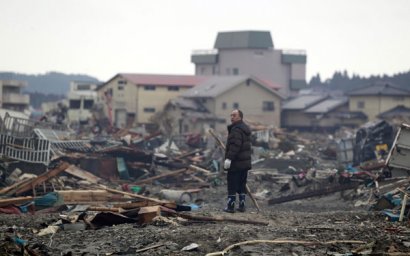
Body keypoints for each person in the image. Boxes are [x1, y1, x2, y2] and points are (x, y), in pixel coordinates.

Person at [223, 109, 252, 213]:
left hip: (236, 163)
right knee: (241, 184)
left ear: (240, 117)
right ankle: (242, 206)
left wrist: (229, 159)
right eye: (231, 115)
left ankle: (230, 207)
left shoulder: (236, 130)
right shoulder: (244, 129)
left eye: (234, 115)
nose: (232, 117)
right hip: (244, 163)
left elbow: (235, 145)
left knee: (232, 184)